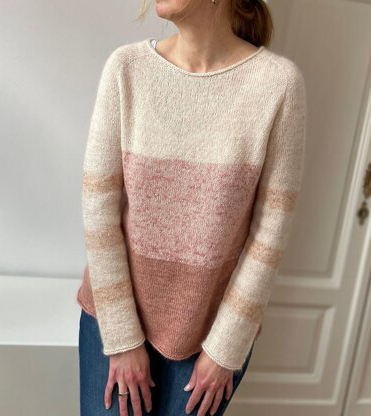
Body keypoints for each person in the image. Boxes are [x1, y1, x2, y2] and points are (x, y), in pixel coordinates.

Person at [77, 0, 307, 415]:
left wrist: (226, 348)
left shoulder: (278, 85)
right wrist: (123, 338)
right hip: (113, 320)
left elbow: (270, 233)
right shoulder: (126, 69)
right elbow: (99, 208)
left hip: (210, 337)